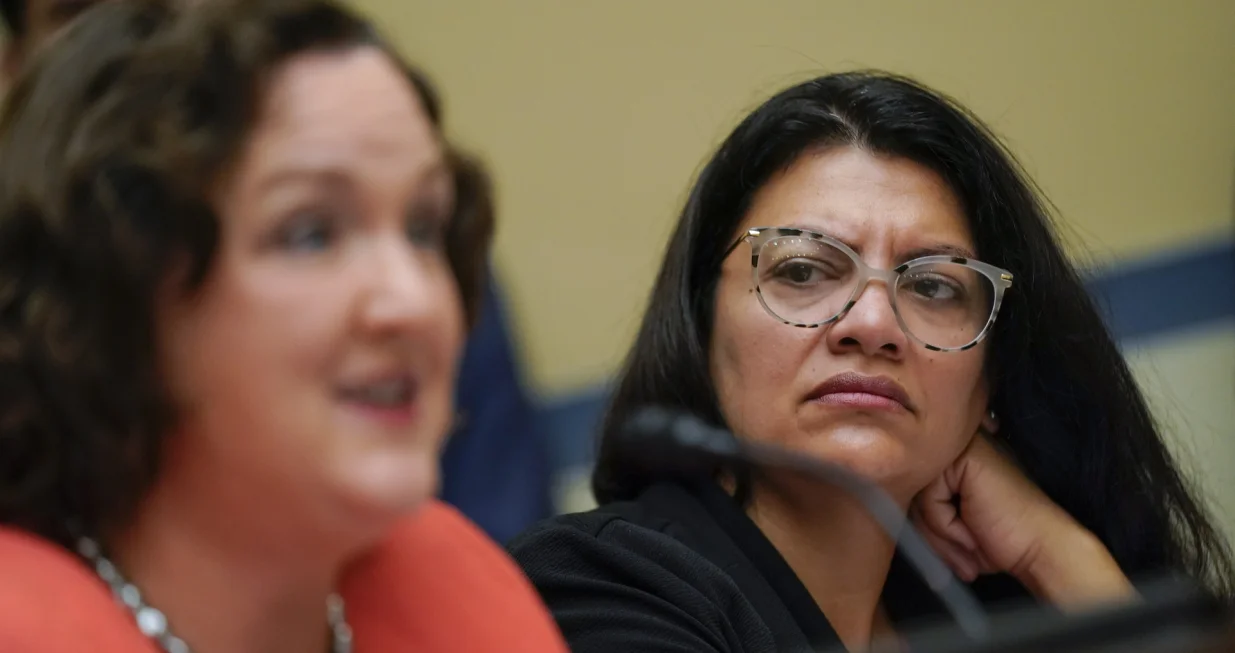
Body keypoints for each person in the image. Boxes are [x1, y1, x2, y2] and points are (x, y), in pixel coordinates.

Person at [508, 71, 1235, 652]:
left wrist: (1060, 556)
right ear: (699, 328)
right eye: (800, 271)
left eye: (932, 285)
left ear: (990, 379)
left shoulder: (985, 602)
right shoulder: (600, 588)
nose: (873, 323)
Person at [0, 0, 567, 651]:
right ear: (118, 291)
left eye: (423, 227)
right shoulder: (25, 623)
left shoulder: (451, 581)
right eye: (310, 233)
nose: (412, 301)